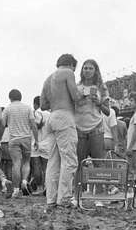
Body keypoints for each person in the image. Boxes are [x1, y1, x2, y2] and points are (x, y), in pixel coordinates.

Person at [40, 54, 83, 209]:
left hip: (52, 117)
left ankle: (51, 199)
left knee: (53, 161)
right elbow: (75, 96)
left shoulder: (48, 79)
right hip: (65, 117)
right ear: (72, 65)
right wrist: (85, 93)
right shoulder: (68, 73)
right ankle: (64, 198)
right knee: (69, 160)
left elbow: (43, 104)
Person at [2, 89, 39, 198]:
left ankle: (16, 189)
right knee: (26, 162)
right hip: (26, 138)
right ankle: (24, 181)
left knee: (16, 163)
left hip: (13, 139)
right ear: (21, 97)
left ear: (10, 98)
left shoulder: (7, 108)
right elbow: (33, 125)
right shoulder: (28, 108)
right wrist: (36, 140)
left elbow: (3, 124)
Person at [76, 59, 110, 162]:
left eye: (91, 68)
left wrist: (98, 103)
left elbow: (107, 112)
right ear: (82, 70)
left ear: (96, 71)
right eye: (85, 68)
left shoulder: (101, 87)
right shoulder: (76, 87)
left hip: (96, 129)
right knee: (78, 164)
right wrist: (79, 99)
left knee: (98, 163)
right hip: (78, 130)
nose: (87, 70)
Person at [31, 96, 51, 195]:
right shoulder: (50, 114)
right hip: (48, 143)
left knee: (36, 167)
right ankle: (46, 187)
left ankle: (39, 189)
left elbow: (36, 125)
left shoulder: (37, 112)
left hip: (36, 142)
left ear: (35, 104)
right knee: (46, 168)